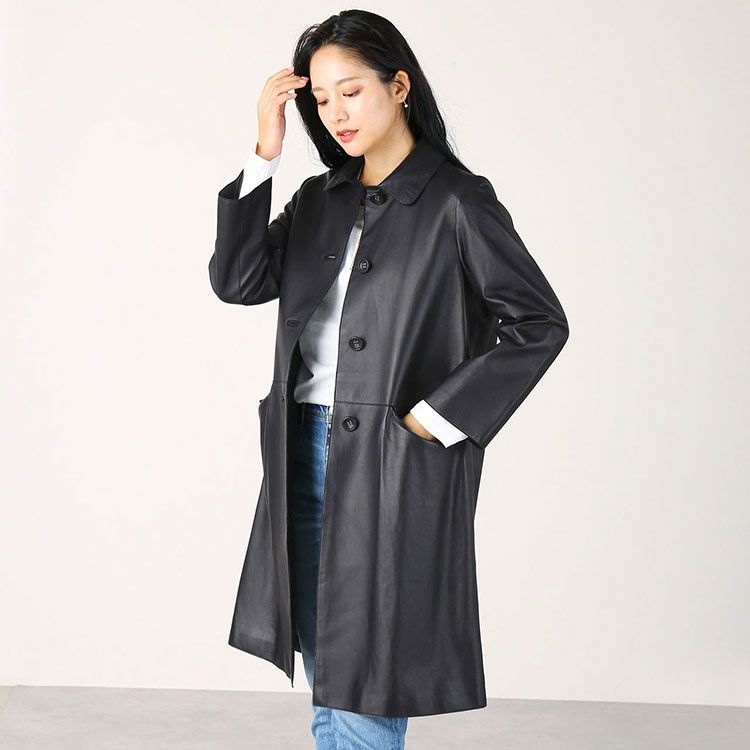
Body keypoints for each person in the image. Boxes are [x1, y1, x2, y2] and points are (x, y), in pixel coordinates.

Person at [210, 9, 569, 750]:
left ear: (398, 86)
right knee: (330, 660)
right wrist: (264, 154)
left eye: (352, 91)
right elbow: (238, 280)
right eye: (320, 99)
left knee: (368, 667)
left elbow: (538, 322)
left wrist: (433, 418)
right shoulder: (320, 199)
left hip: (391, 457)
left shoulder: (456, 201)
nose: (335, 113)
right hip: (300, 451)